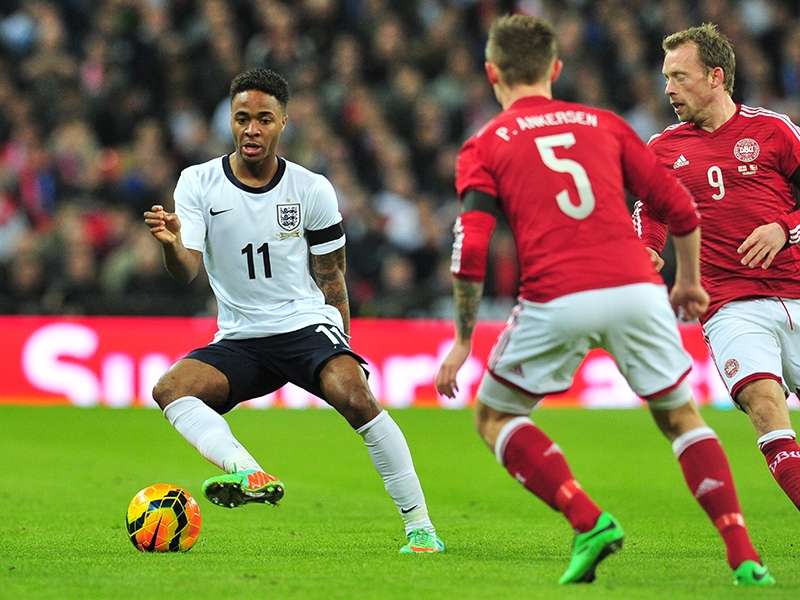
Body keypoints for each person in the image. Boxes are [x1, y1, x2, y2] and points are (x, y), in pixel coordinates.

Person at [435, 15, 772, 586]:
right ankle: (743, 554)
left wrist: (464, 339)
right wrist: (688, 282)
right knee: (681, 419)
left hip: (556, 294)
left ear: (492, 72)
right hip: (636, 291)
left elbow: (471, 251)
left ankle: (587, 519)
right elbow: (680, 209)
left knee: (495, 415)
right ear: (556, 70)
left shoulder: (485, 143)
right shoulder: (605, 124)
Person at [143, 68, 444, 554]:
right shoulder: (197, 183)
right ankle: (248, 471)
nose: (252, 129)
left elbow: (332, 276)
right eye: (242, 118)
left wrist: (342, 345)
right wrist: (170, 245)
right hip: (240, 337)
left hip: (304, 325)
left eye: (264, 119)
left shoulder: (311, 189)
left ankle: (421, 527)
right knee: (170, 389)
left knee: (358, 400)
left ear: (284, 121)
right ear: (231, 122)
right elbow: (186, 270)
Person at [634, 23, 800, 513]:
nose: (668, 88)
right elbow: (650, 212)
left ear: (716, 76)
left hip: (796, 289)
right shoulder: (661, 150)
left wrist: (784, 229)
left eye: (679, 77)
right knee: (764, 404)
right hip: (730, 306)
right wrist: (647, 248)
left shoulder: (774, 131)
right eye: (666, 77)